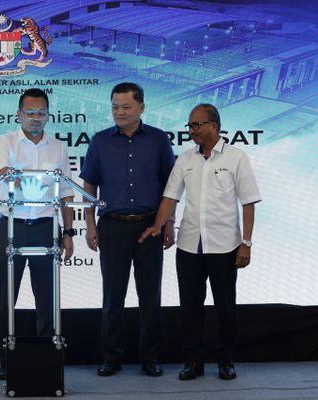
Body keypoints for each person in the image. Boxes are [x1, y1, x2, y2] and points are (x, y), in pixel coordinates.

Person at [139, 103, 261, 380]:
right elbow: (170, 197)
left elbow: (249, 202)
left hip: (224, 245)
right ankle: (193, 361)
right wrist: (157, 226)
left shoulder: (236, 157)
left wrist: (247, 243)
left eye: (197, 125)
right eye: (190, 126)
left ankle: (226, 360)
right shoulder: (185, 160)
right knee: (190, 307)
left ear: (213, 126)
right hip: (189, 245)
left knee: (225, 307)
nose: (192, 130)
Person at [79, 82, 175, 377]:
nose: (119, 112)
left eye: (125, 107)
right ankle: (111, 357)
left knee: (150, 296)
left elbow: (170, 186)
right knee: (113, 296)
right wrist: (90, 225)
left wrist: (168, 223)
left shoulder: (159, 140)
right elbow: (89, 185)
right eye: (115, 107)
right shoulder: (100, 141)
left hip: (150, 226)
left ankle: (150, 357)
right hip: (112, 227)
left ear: (141, 107)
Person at [0, 88, 75, 380]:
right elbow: (4, 171)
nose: (35, 118)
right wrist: (23, 180)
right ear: (19, 115)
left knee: (48, 297)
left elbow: (66, 192)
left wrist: (68, 232)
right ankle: (4, 358)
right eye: (30, 113)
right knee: (4, 296)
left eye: (41, 113)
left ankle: (48, 356)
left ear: (48, 115)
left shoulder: (58, 147)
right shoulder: (5, 141)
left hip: (45, 227)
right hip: (11, 225)